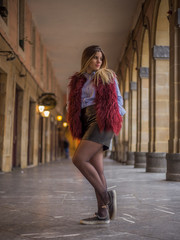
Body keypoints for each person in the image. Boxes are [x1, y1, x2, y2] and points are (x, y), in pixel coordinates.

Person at [67, 45, 126, 225]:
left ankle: (105, 196)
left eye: (100, 58)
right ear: (87, 59)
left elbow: (119, 101)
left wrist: (114, 117)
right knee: (97, 169)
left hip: (102, 119)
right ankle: (102, 214)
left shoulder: (108, 76)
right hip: (86, 121)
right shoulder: (78, 80)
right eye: (95, 58)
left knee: (78, 159)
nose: (99, 61)